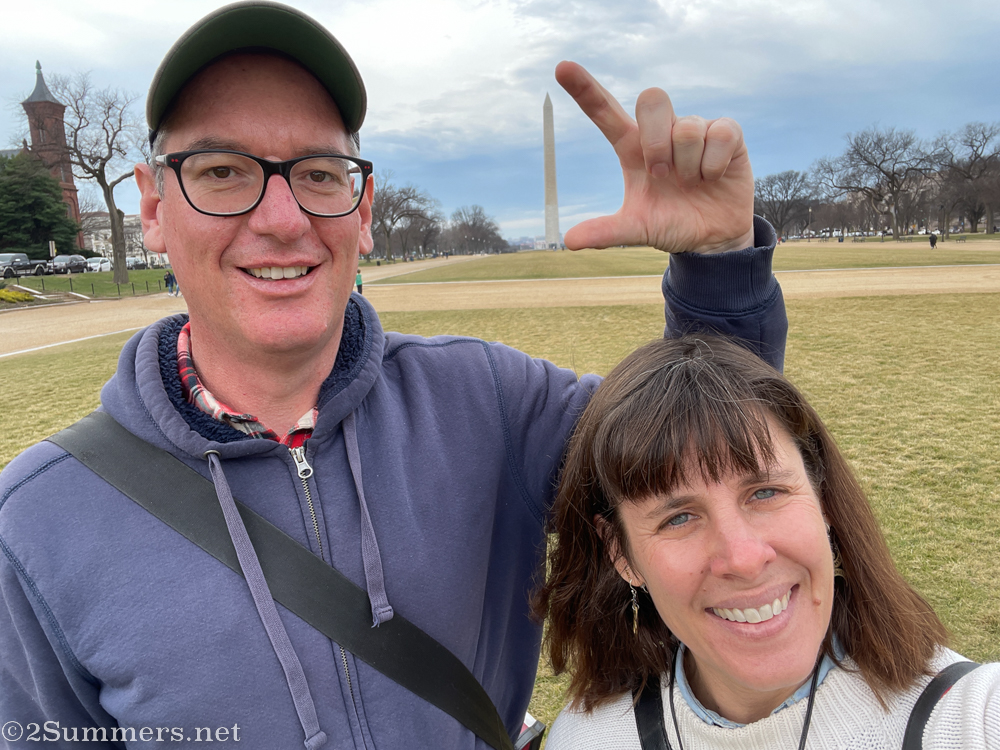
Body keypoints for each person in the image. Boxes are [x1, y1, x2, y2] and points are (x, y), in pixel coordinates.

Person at [0, 3, 787, 748]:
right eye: (222, 171)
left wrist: (718, 269)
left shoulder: (492, 403)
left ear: (364, 207)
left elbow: (704, 457)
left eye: (319, 173)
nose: (282, 219)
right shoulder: (38, 522)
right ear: (153, 208)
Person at [535, 335, 1000, 749]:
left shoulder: (976, 719)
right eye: (679, 518)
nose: (744, 558)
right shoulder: (584, 739)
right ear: (622, 554)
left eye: (765, 492)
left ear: (823, 498)